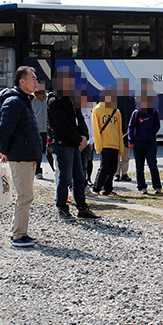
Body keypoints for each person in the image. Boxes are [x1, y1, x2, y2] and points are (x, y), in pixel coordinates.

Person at [46, 67, 100, 220]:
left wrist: (85, 136)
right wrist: (79, 139)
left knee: (80, 178)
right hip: (63, 144)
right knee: (65, 179)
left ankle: (82, 208)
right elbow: (63, 126)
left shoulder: (72, 99)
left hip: (75, 145)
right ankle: (62, 208)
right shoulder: (54, 101)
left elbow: (80, 119)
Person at [0, 66, 43, 247]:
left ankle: (18, 231)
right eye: (33, 78)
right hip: (21, 156)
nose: (36, 82)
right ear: (22, 81)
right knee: (25, 196)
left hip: (27, 155)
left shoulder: (24, 101)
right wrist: (4, 151)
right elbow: (5, 129)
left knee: (24, 195)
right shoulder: (15, 102)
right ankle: (19, 235)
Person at [92, 86, 126, 196]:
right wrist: (98, 146)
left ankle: (107, 188)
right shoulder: (97, 109)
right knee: (104, 167)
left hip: (115, 144)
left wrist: (121, 147)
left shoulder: (116, 111)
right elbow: (96, 130)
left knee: (113, 168)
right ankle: (97, 187)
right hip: (105, 144)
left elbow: (119, 131)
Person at [128, 94, 162, 194]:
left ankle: (157, 186)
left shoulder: (154, 112)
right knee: (139, 167)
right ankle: (142, 187)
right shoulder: (136, 113)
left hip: (150, 143)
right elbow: (130, 128)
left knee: (153, 165)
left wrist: (151, 134)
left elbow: (157, 125)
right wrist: (131, 141)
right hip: (138, 144)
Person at [114, 78, 135, 182]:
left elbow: (134, 114)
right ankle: (117, 173)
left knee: (126, 154)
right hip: (117, 130)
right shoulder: (115, 100)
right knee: (117, 153)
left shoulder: (131, 100)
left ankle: (125, 173)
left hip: (128, 130)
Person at [31, 80, 53, 179]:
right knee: (38, 152)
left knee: (49, 152)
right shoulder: (31, 99)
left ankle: (55, 169)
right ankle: (38, 171)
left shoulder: (48, 98)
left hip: (47, 130)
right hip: (36, 130)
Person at [79, 93, 96, 187]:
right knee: (81, 163)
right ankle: (81, 182)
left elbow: (93, 126)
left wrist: (91, 141)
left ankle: (88, 179)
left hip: (90, 140)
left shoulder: (92, 109)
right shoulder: (78, 109)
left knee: (89, 161)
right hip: (80, 141)